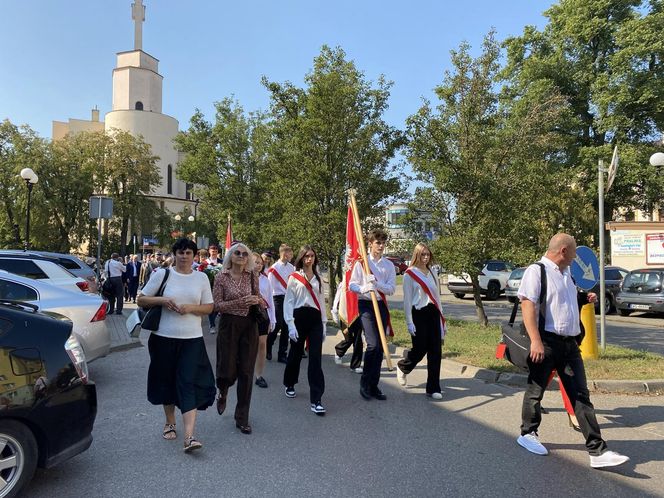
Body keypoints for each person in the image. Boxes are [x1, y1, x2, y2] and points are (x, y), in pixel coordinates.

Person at [516, 233, 629, 468]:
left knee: (580, 394)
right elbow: (527, 305)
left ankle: (597, 451)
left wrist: (582, 298)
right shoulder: (537, 271)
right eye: (574, 252)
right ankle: (528, 433)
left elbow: (563, 303)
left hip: (569, 345)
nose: (576, 257)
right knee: (536, 390)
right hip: (545, 343)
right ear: (563, 251)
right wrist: (535, 341)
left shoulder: (566, 273)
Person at [137, 238, 215, 453]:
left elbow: (209, 307)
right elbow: (141, 299)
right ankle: (170, 422)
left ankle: (189, 436)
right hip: (163, 338)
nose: (184, 256)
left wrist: (191, 307)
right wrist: (163, 300)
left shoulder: (201, 278)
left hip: (192, 339)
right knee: (167, 380)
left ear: (194, 255)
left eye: (188, 252)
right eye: (180, 252)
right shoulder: (162, 274)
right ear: (174, 254)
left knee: (188, 381)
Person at [213, 242, 264, 435]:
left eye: (244, 254)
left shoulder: (252, 276)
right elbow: (217, 305)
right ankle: (223, 390)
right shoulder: (221, 277)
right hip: (228, 325)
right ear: (230, 257)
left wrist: (257, 300)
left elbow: (259, 298)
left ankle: (242, 417)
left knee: (246, 372)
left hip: (249, 324)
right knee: (226, 368)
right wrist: (239, 302)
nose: (241, 256)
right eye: (237, 253)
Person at [349, 228, 396, 401]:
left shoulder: (388, 265)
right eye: (378, 242)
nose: (381, 246)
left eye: (383, 243)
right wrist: (363, 288)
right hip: (366, 305)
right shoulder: (362, 263)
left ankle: (374, 385)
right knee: (373, 345)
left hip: (381, 305)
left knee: (381, 348)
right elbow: (351, 285)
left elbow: (391, 289)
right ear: (370, 244)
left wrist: (376, 284)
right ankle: (364, 383)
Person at [396, 243, 446, 399]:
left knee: (436, 351)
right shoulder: (409, 274)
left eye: (428, 254)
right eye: (422, 254)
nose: (426, 257)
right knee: (420, 348)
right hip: (418, 313)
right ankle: (403, 367)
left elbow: (437, 297)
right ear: (416, 255)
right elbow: (407, 300)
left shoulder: (432, 272)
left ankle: (433, 388)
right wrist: (409, 322)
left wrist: (442, 320)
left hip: (433, 313)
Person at [283, 245, 327, 415]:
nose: (309, 259)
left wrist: (324, 324)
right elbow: (288, 302)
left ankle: (316, 399)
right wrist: (290, 324)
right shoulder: (294, 277)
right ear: (301, 258)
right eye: (306, 256)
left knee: (315, 358)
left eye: (312, 256)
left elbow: (321, 302)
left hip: (315, 318)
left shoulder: (318, 278)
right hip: (299, 317)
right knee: (295, 354)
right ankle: (290, 382)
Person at [267, 244, 295, 363]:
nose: (291, 255)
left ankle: (282, 354)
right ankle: (268, 345)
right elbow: (270, 287)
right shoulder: (274, 268)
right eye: (290, 253)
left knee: (286, 326)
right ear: (284, 254)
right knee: (277, 324)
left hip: (288, 298)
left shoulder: (292, 268)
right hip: (277, 298)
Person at [253, 252, 276, 388]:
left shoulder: (265, 280)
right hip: (247, 317)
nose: (258, 265)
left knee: (262, 345)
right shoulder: (243, 279)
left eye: (260, 263)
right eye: (255, 262)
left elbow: (270, 302)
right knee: (247, 345)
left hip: (262, 315)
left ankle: (259, 375)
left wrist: (272, 320)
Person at [331, 279, 364, 373]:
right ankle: (339, 350)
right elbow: (337, 298)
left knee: (358, 340)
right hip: (344, 313)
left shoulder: (359, 283)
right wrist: (334, 311)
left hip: (357, 313)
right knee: (348, 339)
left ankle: (355, 365)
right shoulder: (343, 284)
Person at [206, 245, 222, 332]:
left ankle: (212, 321)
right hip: (209, 286)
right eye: (212, 250)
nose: (214, 251)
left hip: (220, 286)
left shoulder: (221, 262)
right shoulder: (205, 262)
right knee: (210, 305)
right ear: (209, 251)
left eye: (215, 250)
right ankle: (212, 324)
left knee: (217, 305)